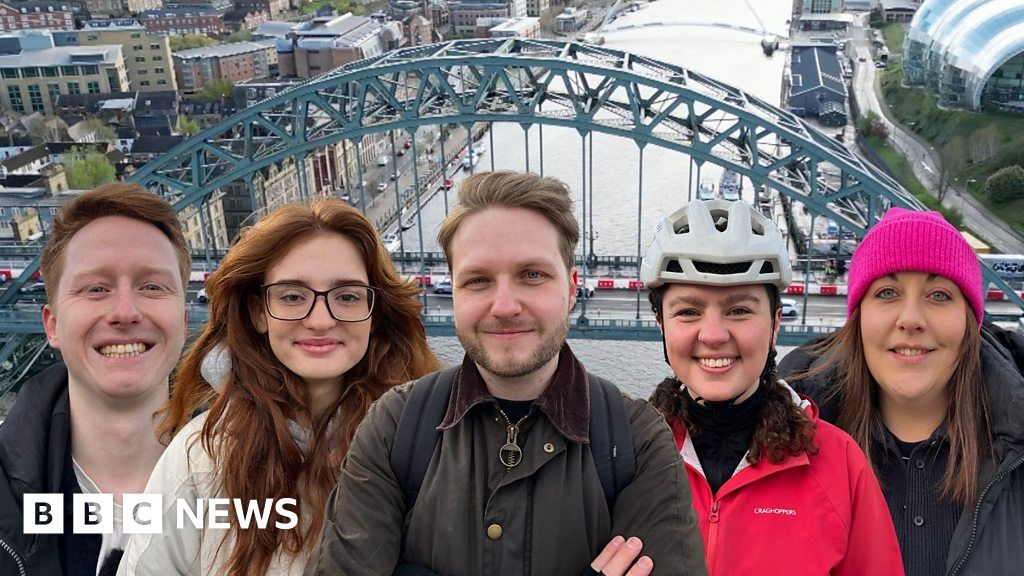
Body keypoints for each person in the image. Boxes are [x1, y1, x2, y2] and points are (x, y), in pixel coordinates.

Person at [307, 171, 708, 576]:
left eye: (532, 275)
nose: (504, 306)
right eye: (478, 280)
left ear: (571, 289)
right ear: (455, 293)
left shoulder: (636, 441)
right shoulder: (394, 426)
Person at [117, 199, 441, 575]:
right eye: (292, 296)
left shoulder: (430, 444)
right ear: (258, 313)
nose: (320, 320)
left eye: (347, 296)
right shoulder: (197, 459)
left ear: (376, 312)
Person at [642, 199, 904, 575]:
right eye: (688, 312)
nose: (714, 335)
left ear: (775, 323)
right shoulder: (626, 457)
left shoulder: (839, 465)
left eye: (739, 310)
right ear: (660, 324)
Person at [779, 207, 1024, 575]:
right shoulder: (781, 446)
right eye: (887, 292)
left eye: (939, 295)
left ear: (970, 322)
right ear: (858, 318)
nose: (910, 319)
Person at [0, 184, 191, 575]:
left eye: (152, 286)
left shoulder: (276, 478)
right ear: (52, 326)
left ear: (184, 323)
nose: (125, 311)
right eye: (95, 289)